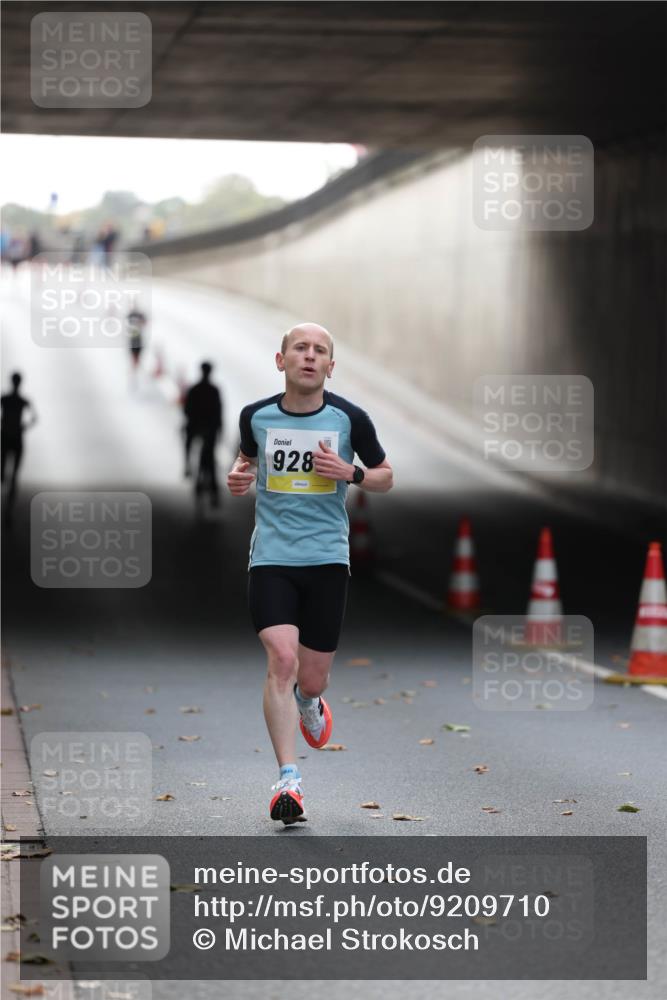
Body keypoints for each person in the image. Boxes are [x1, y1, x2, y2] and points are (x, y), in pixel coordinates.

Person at [227, 322, 393, 824]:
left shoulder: (350, 419)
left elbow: (386, 477)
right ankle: (288, 779)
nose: (309, 356)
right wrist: (238, 478)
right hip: (272, 558)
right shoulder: (255, 416)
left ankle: (309, 702)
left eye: (319, 351)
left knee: (312, 678)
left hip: (327, 560)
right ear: (281, 361)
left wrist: (354, 474)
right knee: (281, 659)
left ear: (329, 367)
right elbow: (244, 463)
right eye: (299, 348)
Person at [183, 361, 223, 505]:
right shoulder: (214, 390)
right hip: (209, 427)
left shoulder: (194, 389)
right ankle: (214, 493)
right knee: (210, 458)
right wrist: (219, 431)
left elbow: (187, 410)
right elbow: (219, 413)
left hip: (195, 426)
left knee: (187, 439)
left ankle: (186, 463)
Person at [1, 372, 37, 512]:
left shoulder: (8, 399)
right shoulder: (18, 400)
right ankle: (8, 508)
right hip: (12, 439)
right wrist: (23, 427)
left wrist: (23, 426)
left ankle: (8, 509)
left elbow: (34, 418)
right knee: (7, 476)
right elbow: (34, 418)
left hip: (9, 438)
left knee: (11, 476)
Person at [126, 303, 148, 369]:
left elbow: (145, 322)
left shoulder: (138, 315)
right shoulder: (130, 315)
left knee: (137, 354)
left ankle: (136, 366)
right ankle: (135, 366)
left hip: (138, 338)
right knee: (134, 354)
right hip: (133, 339)